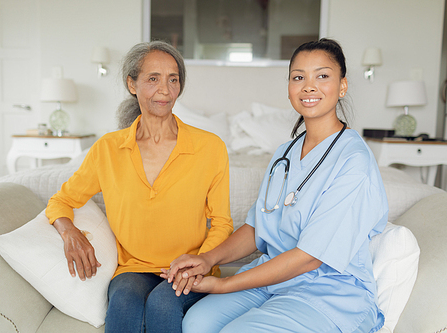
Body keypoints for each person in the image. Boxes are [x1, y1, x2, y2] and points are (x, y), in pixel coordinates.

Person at [163, 38, 388, 333]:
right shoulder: (285, 153)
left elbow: (309, 257)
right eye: (298, 77)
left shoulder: (354, 162)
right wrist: (206, 259)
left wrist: (224, 283)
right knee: (196, 323)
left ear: (342, 86)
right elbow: (258, 228)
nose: (309, 86)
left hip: (328, 292)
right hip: (273, 280)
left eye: (322, 76)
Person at [45, 41, 233, 333]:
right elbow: (61, 200)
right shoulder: (108, 148)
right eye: (153, 79)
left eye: (173, 79)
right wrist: (68, 231)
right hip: (133, 267)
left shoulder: (210, 147)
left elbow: (222, 222)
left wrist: (200, 261)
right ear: (132, 84)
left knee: (162, 303)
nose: (165, 90)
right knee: (123, 301)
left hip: (191, 266)